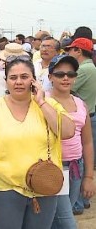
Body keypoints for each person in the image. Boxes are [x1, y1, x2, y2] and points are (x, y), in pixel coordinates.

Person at [0, 56, 76, 229]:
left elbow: (67, 131)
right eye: (13, 77)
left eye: (24, 77)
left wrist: (41, 102)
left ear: (33, 81)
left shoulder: (49, 105)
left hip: (44, 185)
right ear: (6, 81)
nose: (19, 82)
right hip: (5, 188)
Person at [47, 55, 95, 228]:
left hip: (76, 167)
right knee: (66, 221)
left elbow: (87, 142)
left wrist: (88, 176)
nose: (66, 78)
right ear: (50, 76)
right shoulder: (42, 102)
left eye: (71, 74)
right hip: (53, 167)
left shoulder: (81, 104)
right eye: (60, 74)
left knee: (56, 218)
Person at [64, 36, 96, 213]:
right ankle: (79, 201)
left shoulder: (84, 69)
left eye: (71, 49)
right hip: (87, 114)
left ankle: (78, 202)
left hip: (82, 118)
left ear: (78, 51)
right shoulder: (90, 67)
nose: (66, 78)